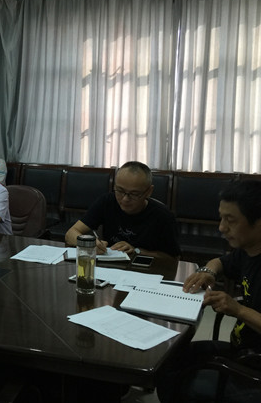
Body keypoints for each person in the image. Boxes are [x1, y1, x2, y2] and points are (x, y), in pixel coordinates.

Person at [156, 180, 261, 402]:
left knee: (173, 377)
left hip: (253, 368)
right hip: (240, 348)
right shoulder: (249, 249)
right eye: (221, 218)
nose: (221, 227)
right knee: (169, 356)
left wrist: (238, 310)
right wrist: (208, 272)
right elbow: (220, 262)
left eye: (231, 220)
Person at [65, 161, 181, 258]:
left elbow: (173, 258)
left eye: (134, 194)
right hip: (111, 266)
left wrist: (136, 251)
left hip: (145, 270)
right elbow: (70, 234)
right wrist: (88, 243)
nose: (125, 199)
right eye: (120, 191)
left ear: (149, 191)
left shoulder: (163, 216)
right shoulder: (107, 202)